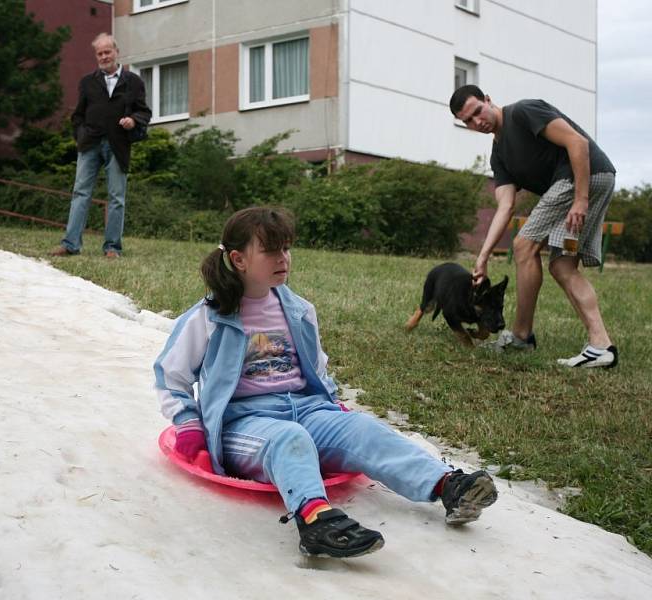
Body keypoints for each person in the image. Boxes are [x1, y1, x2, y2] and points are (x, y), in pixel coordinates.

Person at [153, 206, 498, 558]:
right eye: (271, 250)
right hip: (245, 423)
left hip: (307, 409)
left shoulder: (300, 310)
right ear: (239, 259)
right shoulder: (209, 316)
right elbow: (171, 375)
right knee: (290, 438)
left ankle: (448, 486)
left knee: (362, 429)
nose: (283, 258)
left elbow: (317, 367)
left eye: (286, 248)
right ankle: (316, 520)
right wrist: (189, 425)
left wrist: (334, 406)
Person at [449, 85, 618, 369]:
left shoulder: (523, 112)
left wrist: (580, 199)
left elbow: (578, 143)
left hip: (584, 177)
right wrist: (482, 257)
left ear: (488, 100)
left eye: (478, 111)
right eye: (468, 120)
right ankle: (600, 346)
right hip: (590, 181)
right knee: (562, 266)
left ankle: (521, 336)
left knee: (523, 246)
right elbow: (505, 207)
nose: (477, 121)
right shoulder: (499, 155)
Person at [51, 33, 151, 259]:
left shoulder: (133, 82)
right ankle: (70, 244)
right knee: (80, 193)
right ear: (97, 56)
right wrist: (81, 136)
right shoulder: (87, 82)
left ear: (116, 52)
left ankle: (112, 247)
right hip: (90, 144)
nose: (104, 56)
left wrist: (133, 120)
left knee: (116, 197)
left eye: (108, 52)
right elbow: (77, 116)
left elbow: (144, 112)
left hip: (118, 144)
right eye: (100, 53)